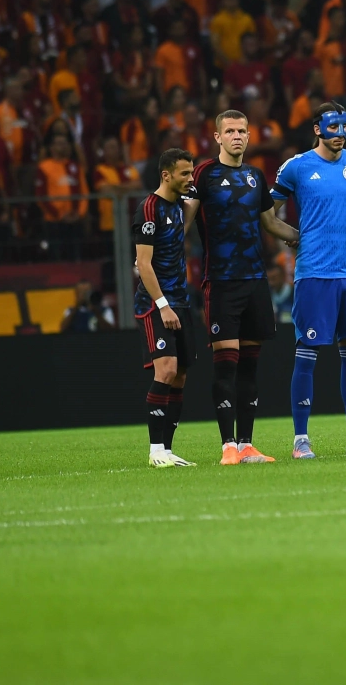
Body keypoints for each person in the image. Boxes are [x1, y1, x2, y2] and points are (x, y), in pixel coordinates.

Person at [272, 102, 346, 458]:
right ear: (317, 130)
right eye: (333, 127)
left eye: (345, 127)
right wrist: (291, 233)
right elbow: (266, 211)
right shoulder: (297, 167)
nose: (340, 134)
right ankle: (300, 441)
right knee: (307, 354)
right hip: (314, 274)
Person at [187, 110, 300, 465]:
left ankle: (248, 445)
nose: (237, 136)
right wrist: (152, 254)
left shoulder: (255, 176)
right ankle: (227, 446)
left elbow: (270, 223)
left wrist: (306, 239)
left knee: (250, 365)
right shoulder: (204, 174)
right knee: (226, 363)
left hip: (255, 281)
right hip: (221, 282)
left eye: (242, 131)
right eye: (230, 131)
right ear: (217, 137)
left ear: (249, 136)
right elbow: (184, 220)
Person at [134, 148, 198, 468]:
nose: (191, 178)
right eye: (185, 173)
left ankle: (168, 451)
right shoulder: (149, 208)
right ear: (166, 175)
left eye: (192, 172)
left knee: (181, 375)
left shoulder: (177, 206)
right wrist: (163, 306)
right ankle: (155, 449)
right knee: (167, 370)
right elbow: (143, 265)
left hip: (181, 301)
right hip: (155, 304)